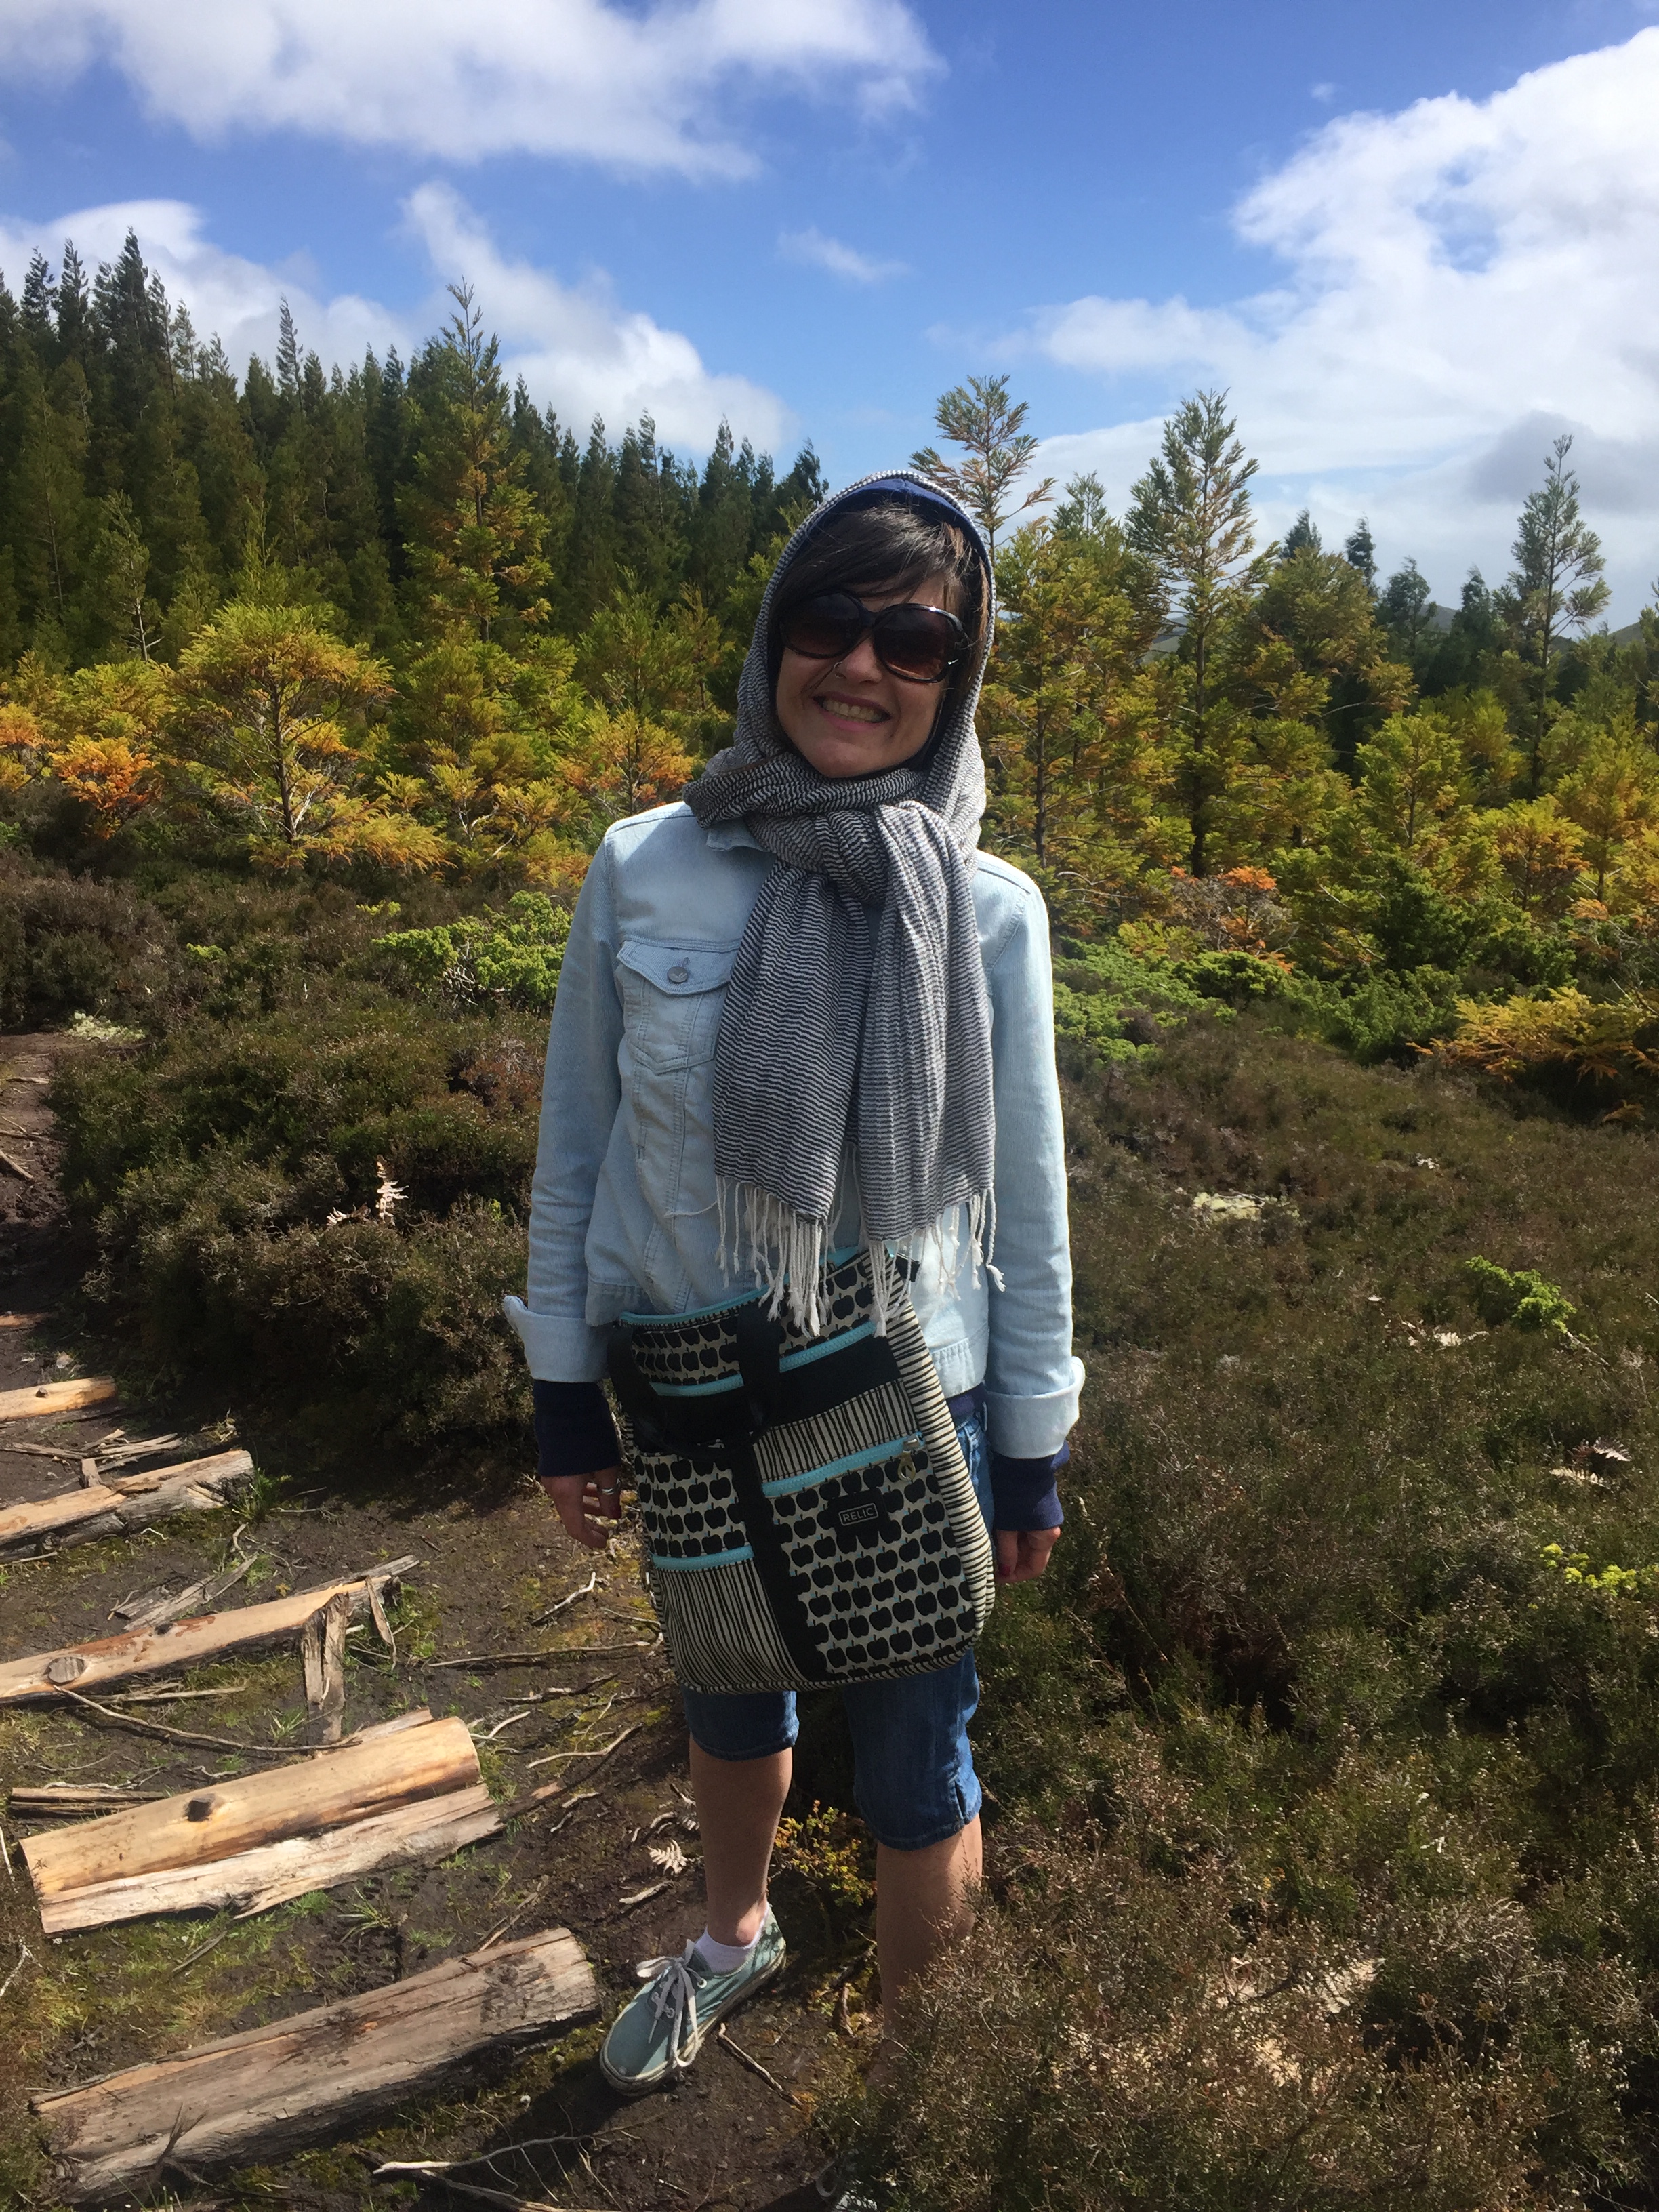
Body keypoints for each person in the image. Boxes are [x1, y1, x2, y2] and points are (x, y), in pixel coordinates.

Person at [506, 470, 1081, 2102]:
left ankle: (910, 2102)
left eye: (917, 640)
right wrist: (563, 1395)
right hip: (694, 1386)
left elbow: (1029, 1203)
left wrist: (1031, 1442)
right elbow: (577, 1150)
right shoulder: (645, 867)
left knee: (916, 1759)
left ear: (957, 676)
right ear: (775, 639)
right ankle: (732, 1933)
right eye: (832, 620)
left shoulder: (987, 909)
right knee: (725, 1684)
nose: (865, 665)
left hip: (905, 1400)